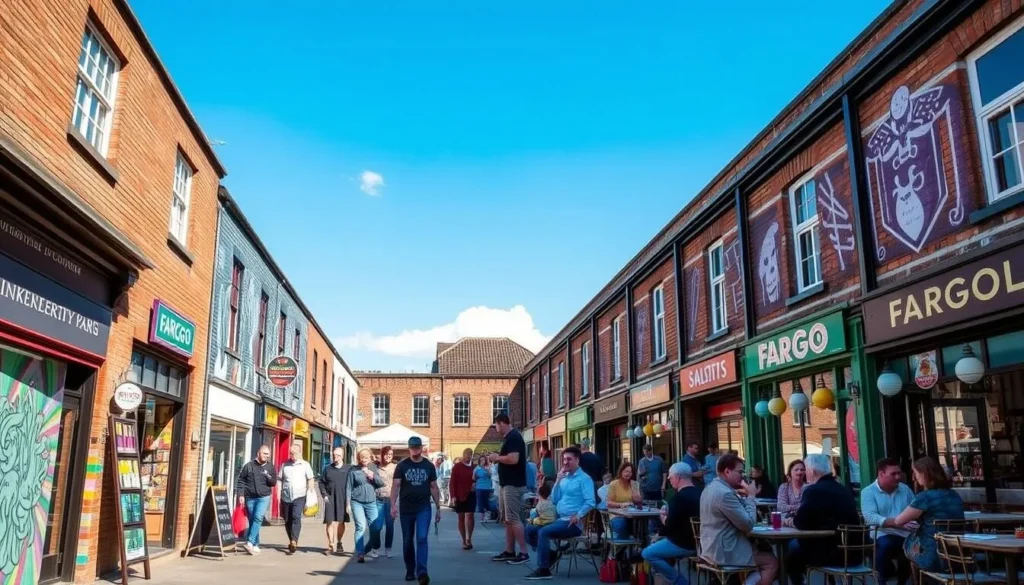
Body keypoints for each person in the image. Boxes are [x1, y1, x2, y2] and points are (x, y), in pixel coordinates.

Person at [699, 453, 777, 585]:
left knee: (761, 556)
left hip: (710, 548)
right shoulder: (725, 494)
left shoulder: (710, 488)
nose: (743, 476)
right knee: (771, 562)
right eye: (740, 472)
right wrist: (751, 496)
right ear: (727, 471)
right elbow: (748, 524)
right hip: (726, 551)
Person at [785, 454, 860, 585]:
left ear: (812, 471)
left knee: (791, 549)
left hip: (830, 553)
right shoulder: (843, 489)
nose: (804, 474)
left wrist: (785, 521)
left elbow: (800, 523)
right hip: (855, 551)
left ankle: (799, 582)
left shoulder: (813, 490)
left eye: (805, 470)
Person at [523, 446, 596, 580]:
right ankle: (550, 554)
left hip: (572, 523)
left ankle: (544, 569)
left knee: (543, 532)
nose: (565, 462)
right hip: (558, 519)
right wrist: (557, 481)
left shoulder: (584, 479)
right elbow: (555, 499)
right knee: (529, 529)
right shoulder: (564, 478)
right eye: (564, 459)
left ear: (577, 460)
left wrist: (578, 516)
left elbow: (591, 502)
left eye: (569, 459)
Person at [893, 457, 965, 573]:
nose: (913, 477)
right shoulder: (954, 495)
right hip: (959, 555)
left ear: (924, 474)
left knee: (908, 546)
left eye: (915, 473)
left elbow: (898, 521)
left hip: (933, 556)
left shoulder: (924, 497)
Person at [391, 436, 441, 584]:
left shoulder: (428, 466)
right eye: (412, 448)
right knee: (407, 540)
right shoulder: (402, 465)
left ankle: (422, 572)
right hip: (406, 508)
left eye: (417, 448)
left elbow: (433, 486)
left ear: (421, 448)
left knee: (421, 538)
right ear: (409, 448)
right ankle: (410, 569)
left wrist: (438, 507)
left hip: (423, 507)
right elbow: (395, 486)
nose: (414, 450)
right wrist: (393, 505)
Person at [643, 462, 701, 585]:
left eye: (670, 476)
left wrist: (663, 517)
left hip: (682, 543)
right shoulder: (701, 493)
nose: (669, 479)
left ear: (678, 477)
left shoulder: (678, 498)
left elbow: (670, 526)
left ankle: (679, 581)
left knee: (648, 553)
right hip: (702, 544)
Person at [862, 458, 915, 585]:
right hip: (881, 533)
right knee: (886, 544)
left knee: (910, 550)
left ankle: (901, 580)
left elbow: (915, 509)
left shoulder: (905, 489)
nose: (898, 477)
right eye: (893, 474)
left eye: (899, 473)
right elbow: (870, 517)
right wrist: (897, 523)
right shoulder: (868, 492)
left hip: (905, 534)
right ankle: (882, 579)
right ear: (881, 474)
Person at [489, 414, 531, 565]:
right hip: (507, 484)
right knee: (507, 519)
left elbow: (514, 459)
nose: (496, 428)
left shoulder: (514, 437)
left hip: (513, 485)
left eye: (496, 425)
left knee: (513, 518)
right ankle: (509, 550)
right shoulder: (510, 437)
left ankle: (524, 552)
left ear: (502, 423)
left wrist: (497, 458)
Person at [235, 444, 277, 555]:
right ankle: (255, 543)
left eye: (268, 454)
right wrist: (241, 494)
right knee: (253, 520)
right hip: (250, 497)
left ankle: (249, 542)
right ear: (258, 453)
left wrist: (268, 476)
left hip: (263, 497)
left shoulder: (270, 467)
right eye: (265, 454)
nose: (267, 456)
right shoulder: (248, 466)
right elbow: (241, 481)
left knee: (258, 518)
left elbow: (273, 483)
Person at [278, 442, 316, 554]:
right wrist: (277, 493)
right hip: (286, 496)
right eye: (290, 453)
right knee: (287, 520)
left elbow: (310, 478)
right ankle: (291, 539)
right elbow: (280, 479)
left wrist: (310, 491)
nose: (291, 455)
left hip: (299, 496)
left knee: (296, 517)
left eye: (294, 453)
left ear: (300, 453)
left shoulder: (305, 465)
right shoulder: (285, 464)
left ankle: (294, 541)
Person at [349, 448, 384, 563]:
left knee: (376, 528)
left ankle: (367, 549)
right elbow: (348, 487)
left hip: (371, 502)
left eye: (366, 457)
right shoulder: (353, 469)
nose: (364, 459)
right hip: (356, 501)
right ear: (359, 458)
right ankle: (360, 553)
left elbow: (380, 483)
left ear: (370, 458)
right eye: (362, 457)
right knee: (360, 527)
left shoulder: (373, 468)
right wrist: (347, 504)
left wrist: (372, 476)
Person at [319, 446, 351, 555]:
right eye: (334, 455)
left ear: (342, 456)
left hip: (343, 498)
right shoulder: (327, 469)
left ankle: (339, 542)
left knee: (341, 521)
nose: (335, 457)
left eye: (338, 455)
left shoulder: (348, 469)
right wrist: (324, 495)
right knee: (329, 521)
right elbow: (321, 482)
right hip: (330, 497)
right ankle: (330, 545)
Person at [370, 446, 397, 558]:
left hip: (391, 500)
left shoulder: (396, 467)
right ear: (382, 454)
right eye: (386, 454)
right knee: (377, 526)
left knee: (390, 526)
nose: (388, 456)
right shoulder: (375, 467)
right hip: (378, 499)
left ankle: (388, 548)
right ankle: (376, 548)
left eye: (390, 454)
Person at [605, 461, 643, 538]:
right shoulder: (614, 484)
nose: (628, 474)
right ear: (621, 471)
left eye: (630, 472)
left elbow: (638, 503)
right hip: (616, 515)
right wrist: (621, 504)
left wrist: (638, 500)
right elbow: (608, 503)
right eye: (626, 471)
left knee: (643, 524)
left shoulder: (634, 484)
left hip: (631, 514)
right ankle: (624, 547)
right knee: (621, 524)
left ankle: (640, 546)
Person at [450, 448, 477, 550]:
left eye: (469, 456)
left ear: (471, 456)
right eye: (466, 456)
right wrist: (453, 495)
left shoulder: (474, 467)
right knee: (461, 517)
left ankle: (469, 538)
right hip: (459, 494)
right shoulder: (457, 467)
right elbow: (452, 482)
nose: (467, 458)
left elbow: (477, 479)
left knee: (470, 515)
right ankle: (463, 540)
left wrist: (475, 483)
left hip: (471, 493)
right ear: (463, 455)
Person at [475, 456, 494, 523]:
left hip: (487, 487)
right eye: (481, 460)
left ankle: (488, 514)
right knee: (480, 502)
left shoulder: (488, 467)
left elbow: (490, 475)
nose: (483, 461)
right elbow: (473, 477)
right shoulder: (477, 468)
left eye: (484, 460)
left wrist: (486, 470)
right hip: (479, 487)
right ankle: (482, 516)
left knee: (486, 501)